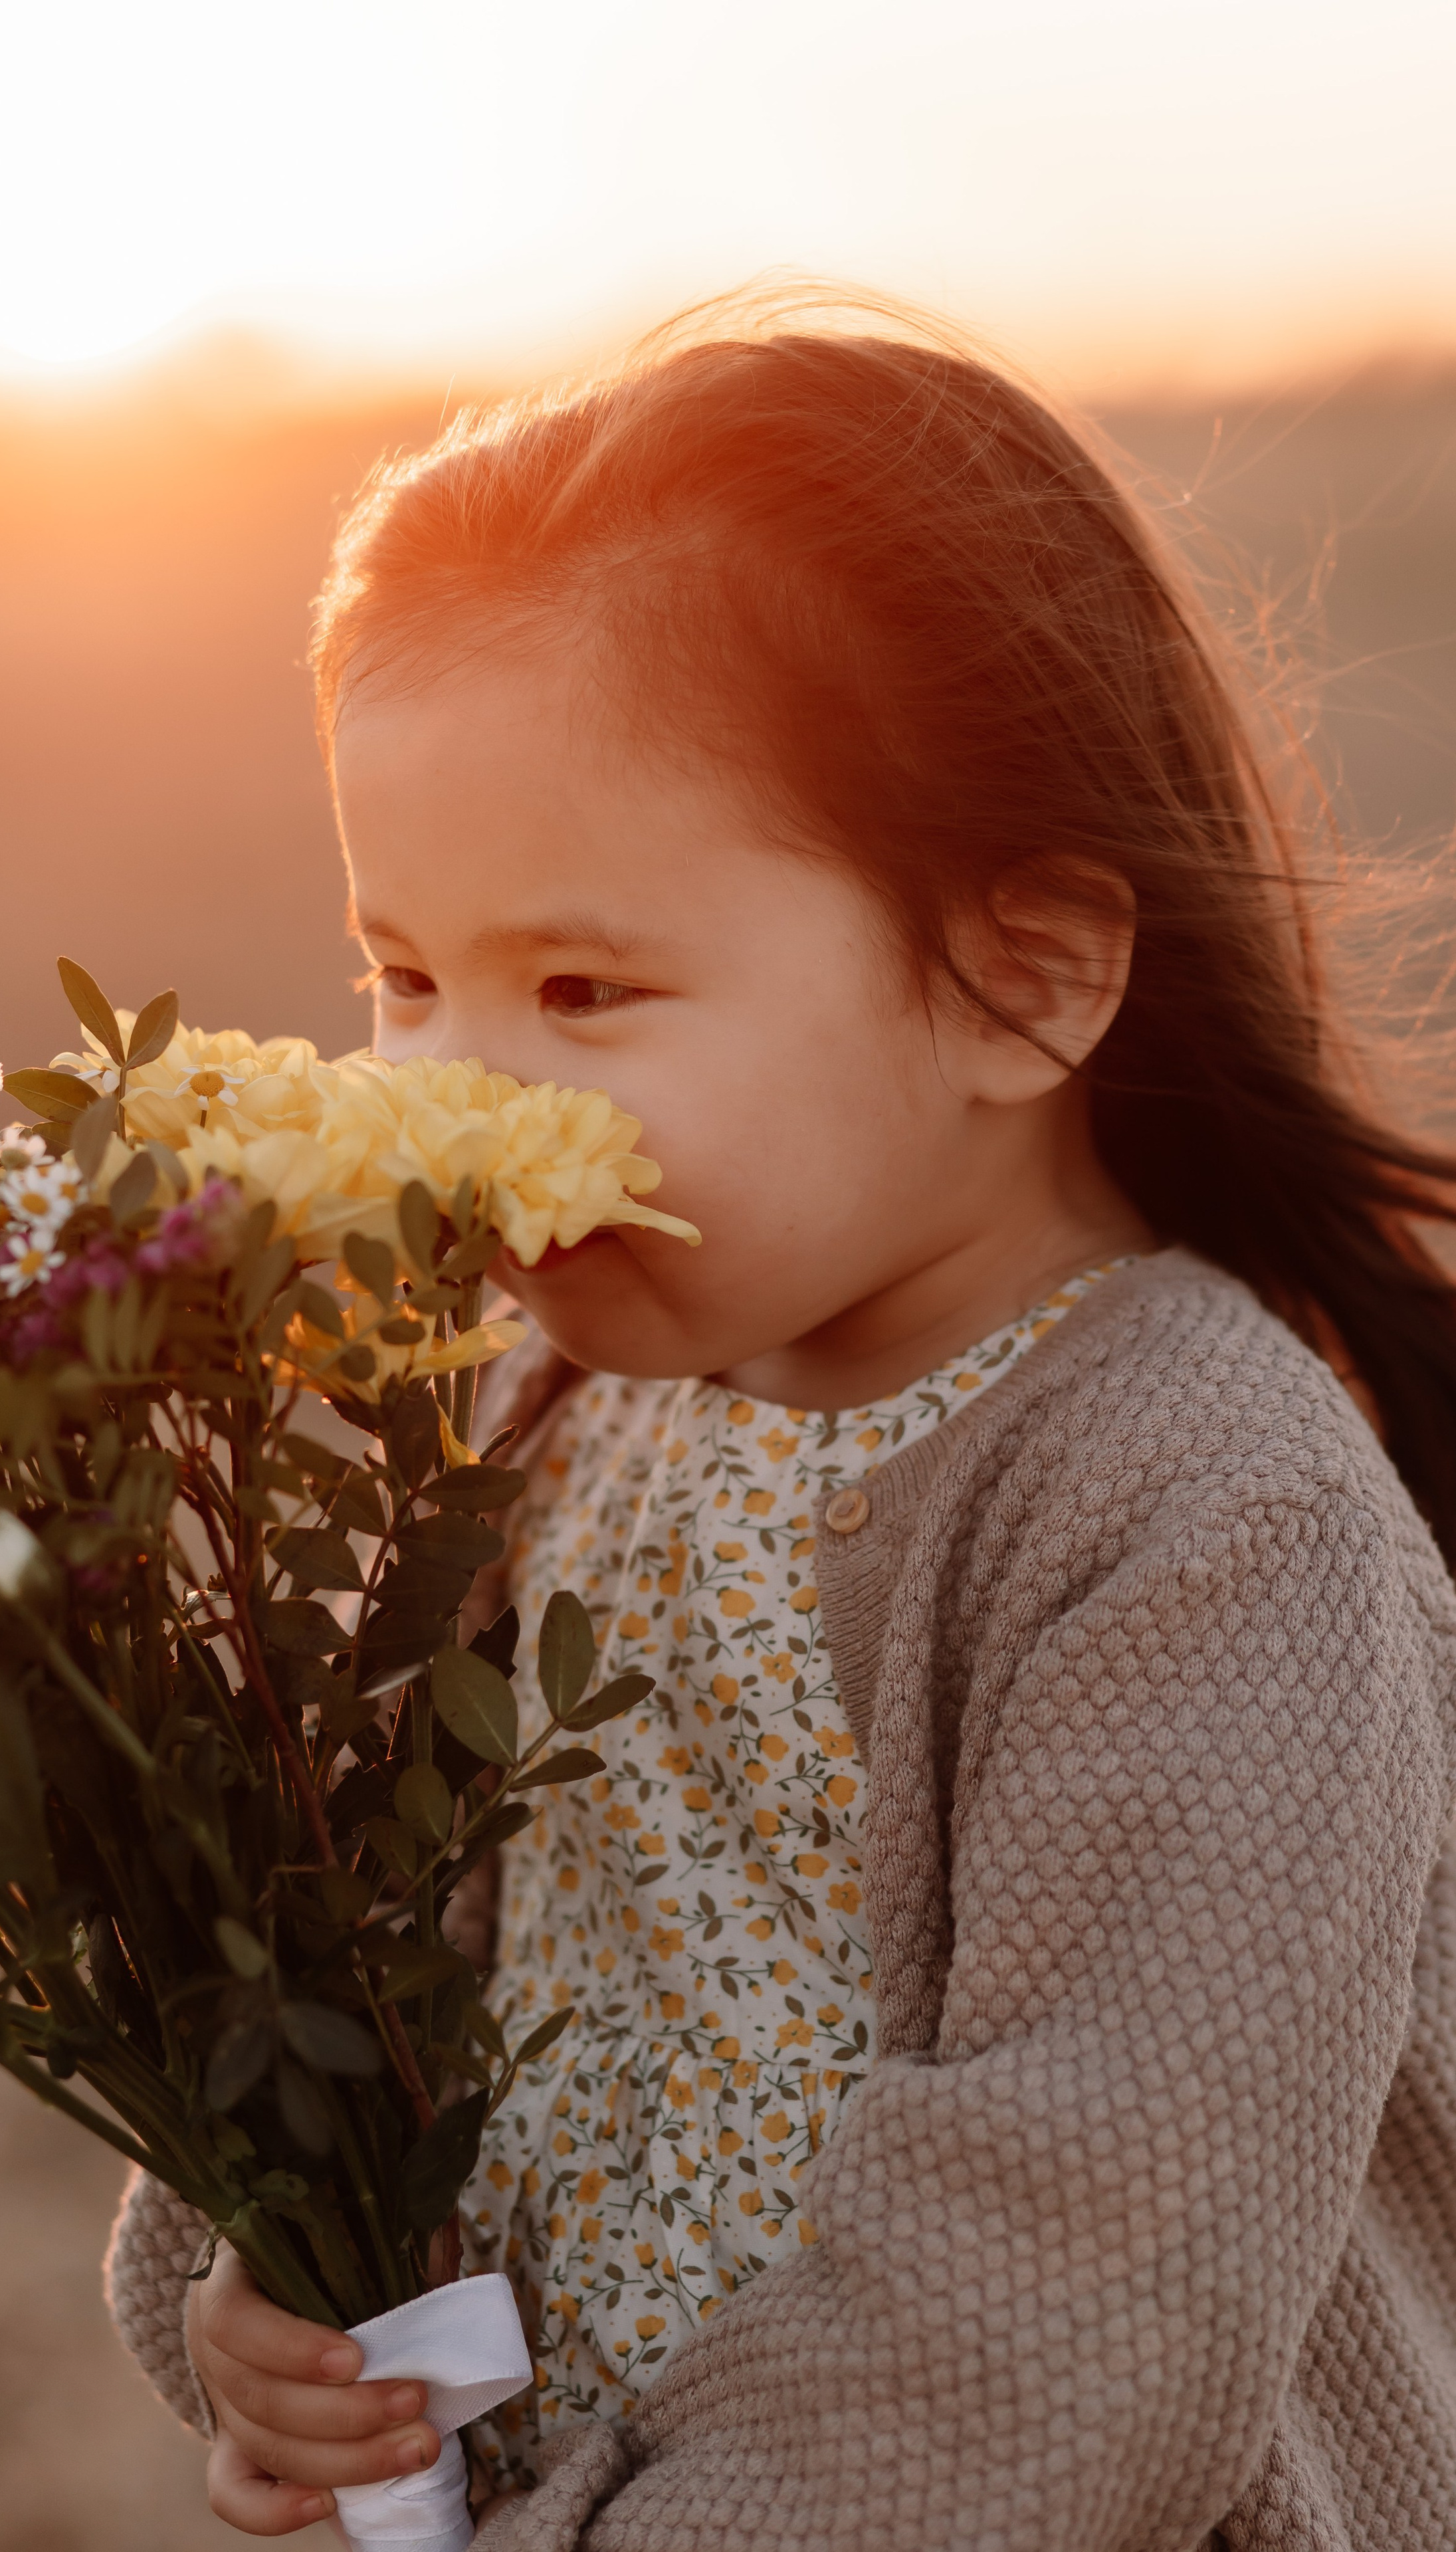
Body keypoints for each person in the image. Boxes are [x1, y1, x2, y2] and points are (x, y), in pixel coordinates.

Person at [105, 290, 1456, 2549]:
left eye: (583, 988)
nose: (448, 1092)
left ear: (1023, 976)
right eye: (403, 975)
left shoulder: (1202, 1512)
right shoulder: (539, 1415)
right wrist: (256, 2294)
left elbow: (1058, 2311)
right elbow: (364, 1967)